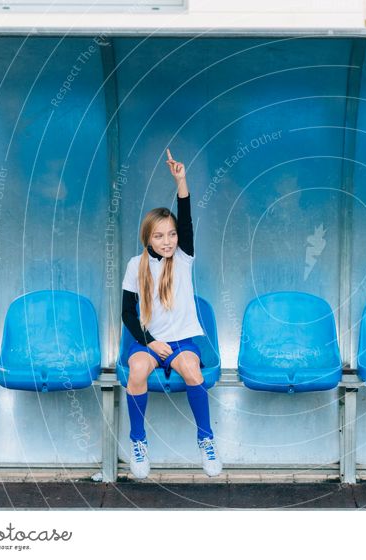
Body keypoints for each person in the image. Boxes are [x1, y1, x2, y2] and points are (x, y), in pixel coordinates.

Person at [120, 148, 222, 479]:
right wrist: (149, 343)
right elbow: (127, 314)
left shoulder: (183, 258)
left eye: (172, 234)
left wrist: (182, 181)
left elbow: (187, 216)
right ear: (148, 237)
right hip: (149, 343)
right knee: (136, 371)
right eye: (160, 235)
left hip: (181, 342)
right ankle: (138, 443)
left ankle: (206, 440)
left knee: (193, 371)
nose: (168, 241)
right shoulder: (135, 265)